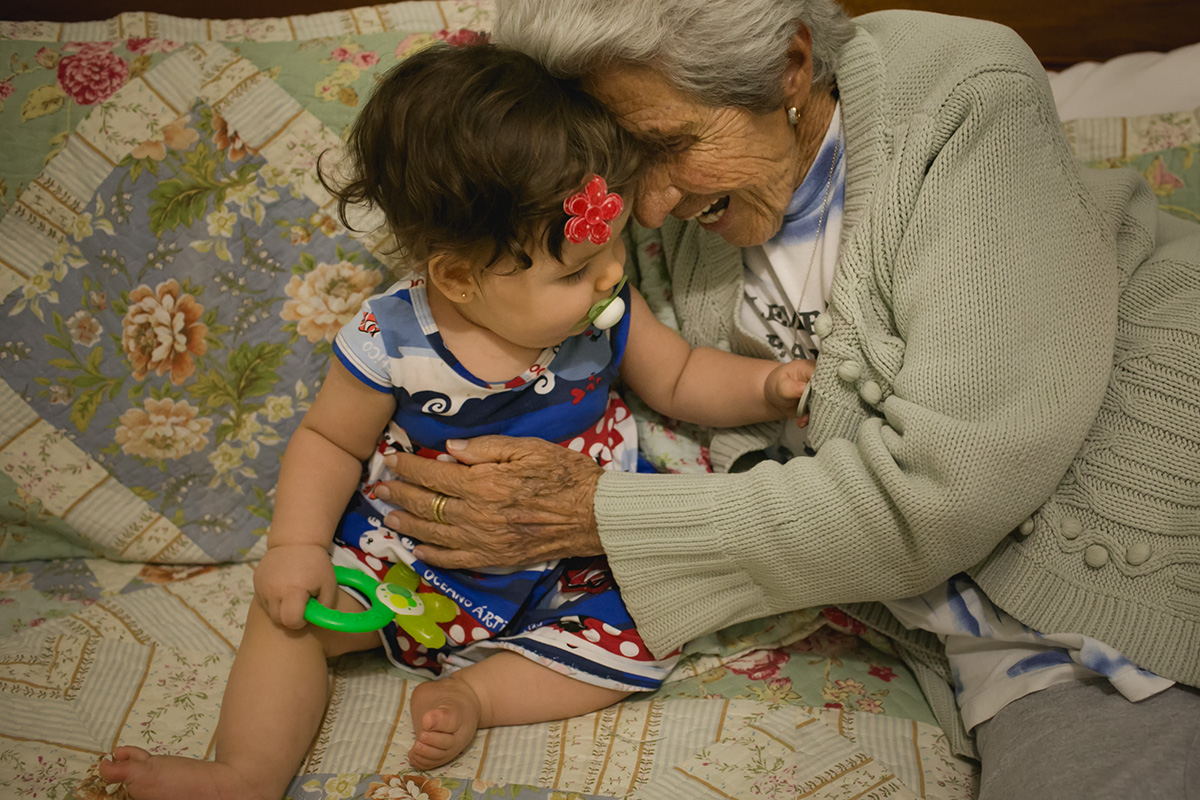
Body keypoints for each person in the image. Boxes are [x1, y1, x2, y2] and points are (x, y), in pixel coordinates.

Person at [369, 2, 1200, 798]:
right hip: (1002, 650)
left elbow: (948, 487)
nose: (650, 207)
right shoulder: (638, 220)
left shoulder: (962, 97)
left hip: (1153, 553)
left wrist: (598, 514)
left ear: (789, 67)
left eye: (670, 145)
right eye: (627, 161)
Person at [97, 41, 814, 800]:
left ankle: (485, 694)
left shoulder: (607, 310)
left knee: (657, 619)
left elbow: (679, 377)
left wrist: (766, 386)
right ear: (460, 276)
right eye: (576, 269)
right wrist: (297, 546)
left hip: (576, 554)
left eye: (613, 250)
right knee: (291, 618)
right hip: (407, 557)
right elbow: (329, 439)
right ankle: (244, 771)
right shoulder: (392, 341)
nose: (609, 274)